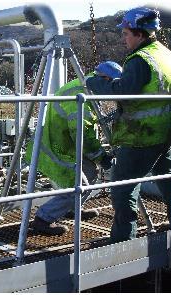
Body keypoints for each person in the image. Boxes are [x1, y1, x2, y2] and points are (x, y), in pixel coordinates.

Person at [86, 7, 171, 243]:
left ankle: (123, 238)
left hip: (143, 134)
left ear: (140, 34)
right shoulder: (166, 54)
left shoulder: (140, 59)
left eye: (126, 34)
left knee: (123, 184)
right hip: (167, 130)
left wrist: (96, 84)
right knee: (168, 178)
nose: (124, 38)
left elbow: (125, 92)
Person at [28, 61, 123, 235]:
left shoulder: (86, 87)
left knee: (91, 172)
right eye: (113, 85)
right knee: (77, 184)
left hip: (68, 144)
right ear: (105, 79)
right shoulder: (82, 94)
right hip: (57, 147)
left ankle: (72, 209)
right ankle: (43, 218)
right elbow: (82, 133)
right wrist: (101, 156)